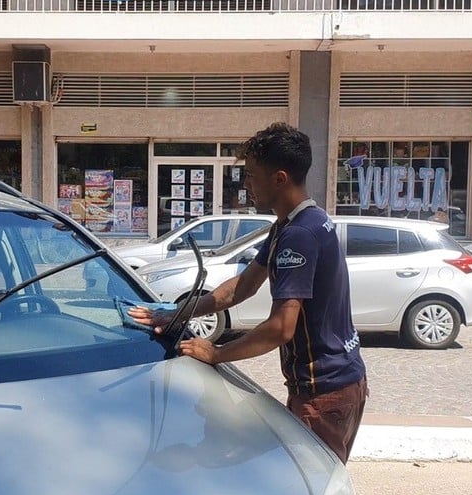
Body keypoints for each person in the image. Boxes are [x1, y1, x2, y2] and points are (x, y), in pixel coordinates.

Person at [129, 123, 367, 464]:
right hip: (341, 382)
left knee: (310, 493)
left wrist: (216, 353)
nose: (247, 185)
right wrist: (178, 314)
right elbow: (241, 287)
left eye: (253, 176)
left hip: (324, 392)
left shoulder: (299, 234)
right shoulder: (294, 224)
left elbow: (281, 327)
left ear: (280, 179)